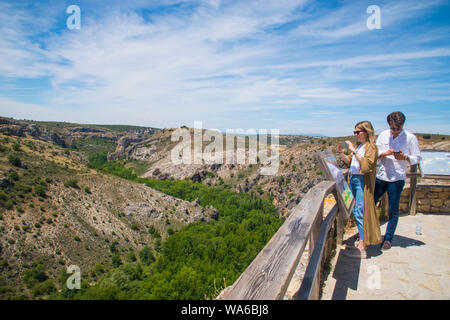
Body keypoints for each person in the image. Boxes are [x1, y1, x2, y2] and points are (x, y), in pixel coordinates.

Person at [374, 112, 422, 251]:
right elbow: (375, 154)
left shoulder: (411, 138)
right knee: (370, 204)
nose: (394, 131)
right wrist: (384, 154)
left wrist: (405, 157)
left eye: (397, 128)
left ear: (402, 126)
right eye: (392, 128)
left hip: (397, 178)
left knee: (393, 210)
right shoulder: (383, 135)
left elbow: (417, 157)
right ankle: (369, 233)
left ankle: (388, 239)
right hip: (381, 176)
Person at [338, 121, 381, 258]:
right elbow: (349, 162)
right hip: (354, 180)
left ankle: (362, 247)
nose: (355, 134)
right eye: (354, 132)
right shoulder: (361, 146)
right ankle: (362, 240)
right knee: (355, 210)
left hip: (363, 182)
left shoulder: (371, 147)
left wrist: (353, 150)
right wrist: (341, 153)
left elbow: (367, 165)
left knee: (360, 211)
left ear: (367, 132)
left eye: (358, 132)